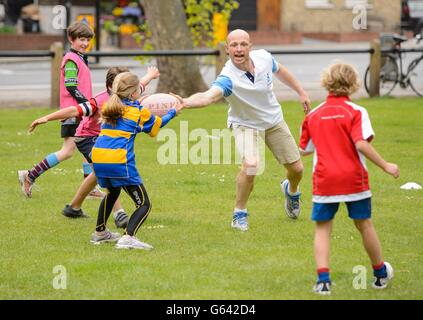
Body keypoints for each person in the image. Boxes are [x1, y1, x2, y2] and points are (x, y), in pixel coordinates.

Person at [178, 29, 311, 231]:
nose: (239, 49)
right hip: (245, 124)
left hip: (273, 120)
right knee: (251, 165)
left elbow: (280, 70)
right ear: (227, 49)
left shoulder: (264, 58)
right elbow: (208, 96)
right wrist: (186, 102)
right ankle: (239, 212)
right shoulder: (228, 77)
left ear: (250, 46)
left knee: (297, 170)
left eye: (243, 44)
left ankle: (291, 191)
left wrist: (301, 92)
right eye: (234, 45)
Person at [298, 63, 400, 295]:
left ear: (326, 82)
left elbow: (303, 149)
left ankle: (323, 281)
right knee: (364, 224)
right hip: (353, 180)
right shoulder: (357, 112)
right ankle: (380, 275)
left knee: (323, 229)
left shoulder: (312, 115)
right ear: (354, 84)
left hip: (325, 180)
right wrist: (386, 165)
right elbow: (361, 142)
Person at [28, 66, 160, 227]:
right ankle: (119, 214)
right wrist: (46, 118)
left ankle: (74, 207)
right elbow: (74, 110)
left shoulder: (127, 91)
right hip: (87, 138)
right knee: (106, 168)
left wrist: (150, 75)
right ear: (112, 86)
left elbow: (139, 85)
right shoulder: (99, 101)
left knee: (99, 171)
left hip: (104, 138)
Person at [89, 72, 182, 249]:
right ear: (133, 94)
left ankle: (100, 233)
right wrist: (173, 112)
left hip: (98, 157)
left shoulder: (110, 106)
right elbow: (157, 126)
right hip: (118, 160)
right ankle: (128, 237)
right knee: (144, 204)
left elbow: (128, 125)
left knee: (113, 192)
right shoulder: (138, 112)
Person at [18, 21, 98, 198]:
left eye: (88, 40)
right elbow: (71, 86)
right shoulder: (71, 59)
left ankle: (90, 187)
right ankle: (29, 175)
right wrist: (87, 105)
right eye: (81, 39)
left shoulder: (80, 57)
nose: (85, 43)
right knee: (68, 151)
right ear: (71, 39)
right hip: (73, 112)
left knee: (87, 148)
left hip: (80, 112)